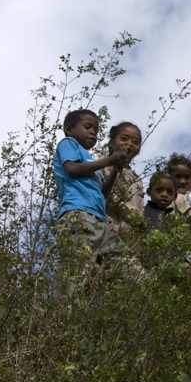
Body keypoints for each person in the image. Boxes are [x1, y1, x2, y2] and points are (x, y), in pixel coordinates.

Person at [54, 110, 142, 295]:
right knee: (75, 276)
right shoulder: (68, 144)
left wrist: (116, 169)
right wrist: (108, 160)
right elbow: (71, 169)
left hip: (99, 223)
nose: (93, 132)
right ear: (69, 129)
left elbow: (103, 194)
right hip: (77, 216)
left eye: (96, 129)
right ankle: (62, 321)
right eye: (88, 127)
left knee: (135, 273)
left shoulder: (91, 161)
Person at [104, 122, 144, 237]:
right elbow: (109, 196)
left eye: (135, 142)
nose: (129, 144)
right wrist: (134, 217)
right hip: (109, 228)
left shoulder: (137, 179)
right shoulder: (104, 165)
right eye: (124, 139)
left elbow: (140, 206)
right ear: (112, 142)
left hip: (130, 234)